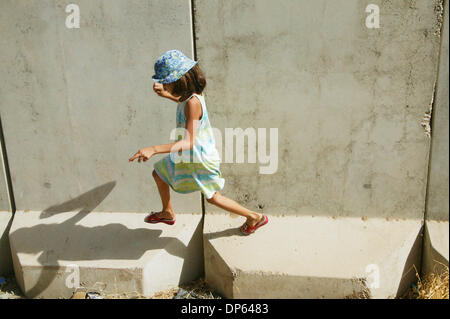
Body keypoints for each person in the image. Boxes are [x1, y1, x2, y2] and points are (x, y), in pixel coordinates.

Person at [129, 49, 268, 235]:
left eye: (166, 82)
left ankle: (254, 217)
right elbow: (184, 106)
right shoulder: (190, 97)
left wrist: (153, 149)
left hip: (199, 157)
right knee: (159, 173)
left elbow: (189, 142)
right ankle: (168, 212)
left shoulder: (193, 103)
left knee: (213, 197)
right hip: (188, 156)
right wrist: (167, 96)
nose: (164, 85)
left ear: (179, 80)